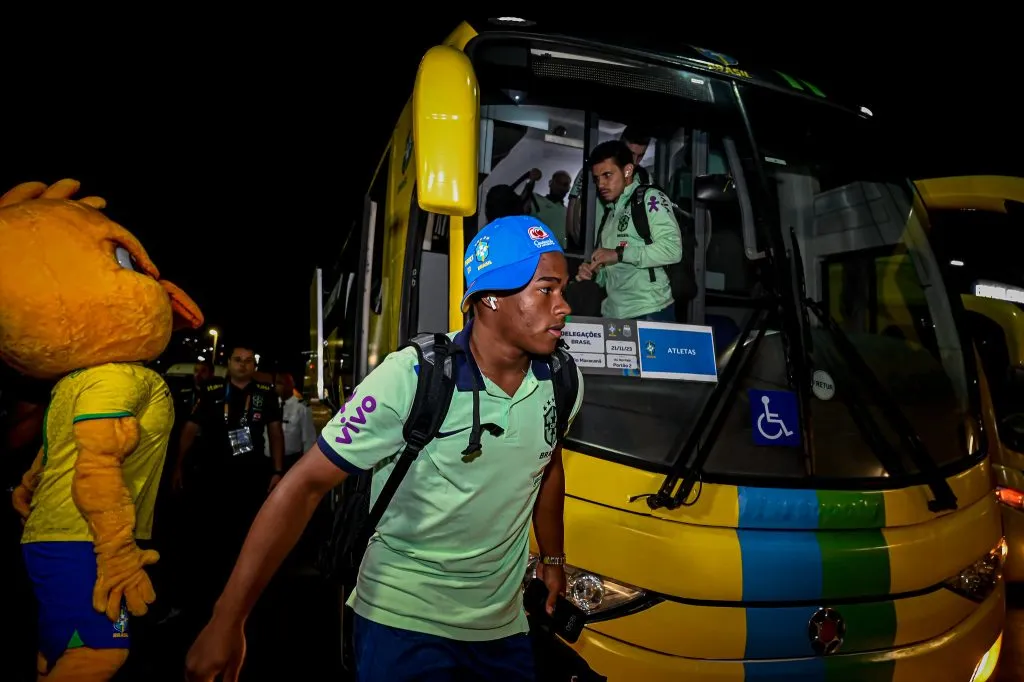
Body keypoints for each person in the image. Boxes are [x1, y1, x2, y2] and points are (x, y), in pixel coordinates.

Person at [185, 215, 584, 682]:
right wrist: (227, 618)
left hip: (504, 630)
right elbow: (303, 486)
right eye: (547, 290)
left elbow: (547, 466)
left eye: (563, 290)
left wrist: (553, 561)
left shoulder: (563, 381)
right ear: (492, 297)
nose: (564, 307)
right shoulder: (411, 378)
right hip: (402, 623)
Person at [576, 140, 682, 321]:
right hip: (613, 314)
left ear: (627, 171)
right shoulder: (610, 213)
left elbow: (673, 250)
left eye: (607, 175)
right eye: (597, 178)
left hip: (650, 310)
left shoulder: (649, 198)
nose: (601, 184)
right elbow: (612, 272)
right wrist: (594, 273)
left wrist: (618, 254)